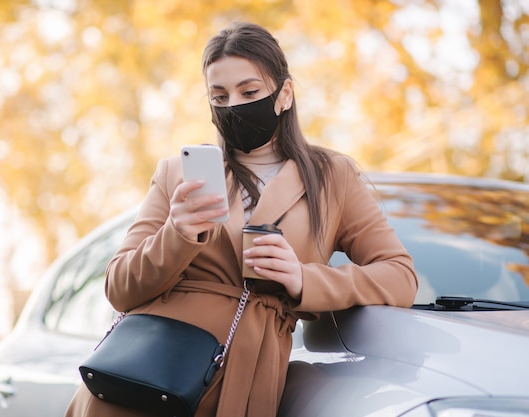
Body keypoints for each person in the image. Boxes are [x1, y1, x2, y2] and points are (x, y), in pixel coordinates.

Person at [65, 21, 418, 417]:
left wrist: (305, 279)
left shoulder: (333, 178)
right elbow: (119, 288)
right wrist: (177, 233)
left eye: (249, 92)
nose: (233, 105)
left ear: (284, 94)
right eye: (219, 95)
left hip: (246, 380)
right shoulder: (175, 174)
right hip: (142, 384)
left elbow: (400, 276)